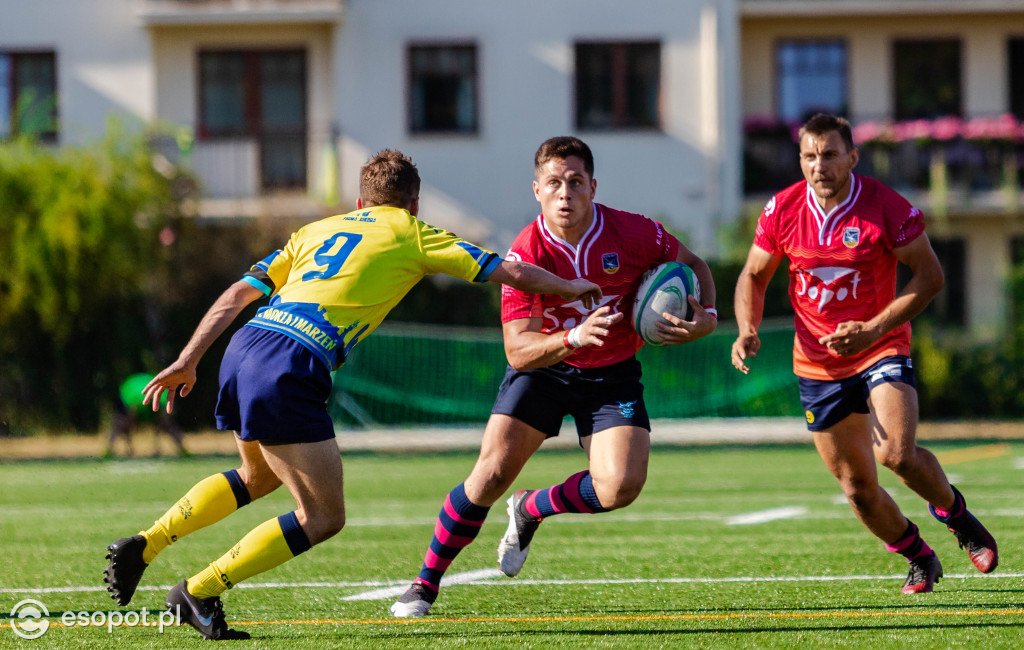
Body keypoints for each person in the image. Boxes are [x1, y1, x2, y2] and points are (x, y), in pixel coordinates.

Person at [102, 149, 602, 640]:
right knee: (323, 516)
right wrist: (569, 286)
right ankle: (199, 591)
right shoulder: (411, 232)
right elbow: (510, 270)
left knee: (256, 478)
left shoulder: (316, 229)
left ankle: (146, 544)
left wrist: (188, 359)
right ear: (413, 204)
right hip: (292, 363)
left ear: (361, 203)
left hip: (246, 345)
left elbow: (237, 294)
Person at [390, 136, 718, 617]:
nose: (565, 193)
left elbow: (693, 264)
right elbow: (519, 352)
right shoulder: (525, 252)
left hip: (611, 373)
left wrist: (706, 315)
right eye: (554, 183)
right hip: (544, 369)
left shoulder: (633, 233)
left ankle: (532, 508)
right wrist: (573, 338)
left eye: (575, 182)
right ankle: (424, 582)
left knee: (620, 487)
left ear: (592, 187)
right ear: (537, 190)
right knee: (489, 476)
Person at [730, 113, 998, 594]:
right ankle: (919, 557)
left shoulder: (885, 207)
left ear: (852, 157)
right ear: (800, 160)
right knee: (858, 490)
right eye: (810, 156)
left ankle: (959, 518)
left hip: (880, 347)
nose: (819, 166)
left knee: (897, 454)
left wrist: (873, 328)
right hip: (816, 364)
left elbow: (930, 277)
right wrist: (747, 328)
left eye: (830, 154)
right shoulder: (781, 210)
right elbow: (753, 274)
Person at [104, 372, 188, 458]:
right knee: (122, 425)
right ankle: (124, 450)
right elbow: (130, 414)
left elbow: (163, 415)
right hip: (132, 398)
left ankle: (180, 450)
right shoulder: (130, 395)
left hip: (145, 399)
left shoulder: (162, 395)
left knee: (166, 424)